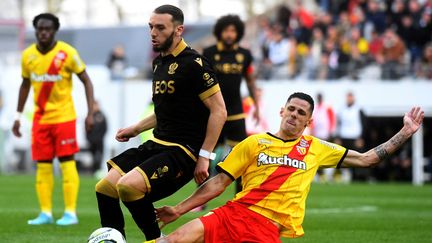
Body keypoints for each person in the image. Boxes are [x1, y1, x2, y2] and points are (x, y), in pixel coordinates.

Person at [152, 92, 424, 243]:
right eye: (291, 109)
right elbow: (218, 183)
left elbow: (368, 159)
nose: (294, 115)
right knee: (172, 241)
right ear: (282, 111)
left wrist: (405, 133)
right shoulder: (253, 143)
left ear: (308, 121)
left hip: (265, 229)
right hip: (232, 214)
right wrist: (177, 209)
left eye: (301, 113)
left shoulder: (317, 148)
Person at [94, 5, 226, 240]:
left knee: (128, 185)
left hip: (183, 151)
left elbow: (219, 111)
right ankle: (114, 239)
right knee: (104, 188)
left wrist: (205, 156)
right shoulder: (159, 64)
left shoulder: (195, 64)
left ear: (179, 30)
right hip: (158, 144)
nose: (153, 32)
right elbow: (166, 111)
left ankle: (156, 239)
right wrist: (136, 129)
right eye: (151, 27)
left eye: (160, 27)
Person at [12, 13, 95, 225]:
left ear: (54, 31)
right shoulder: (28, 55)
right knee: (43, 166)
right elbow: (24, 85)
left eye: (48, 29)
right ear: (36, 30)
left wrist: (90, 113)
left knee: (67, 164)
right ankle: (45, 213)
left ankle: (70, 213)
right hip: (40, 120)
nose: (44, 33)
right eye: (40, 29)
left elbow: (86, 80)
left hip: (64, 118)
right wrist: (18, 116)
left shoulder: (67, 53)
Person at [202, 14, 259, 194]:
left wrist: (256, 105)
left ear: (238, 33)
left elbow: (250, 81)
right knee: (207, 153)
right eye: (226, 30)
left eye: (233, 31)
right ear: (220, 32)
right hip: (214, 112)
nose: (229, 34)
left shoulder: (244, 55)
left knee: (242, 154)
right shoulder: (209, 53)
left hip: (236, 111)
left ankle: (239, 194)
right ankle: (201, 194)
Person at [86, 100, 107, 174]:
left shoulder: (102, 116)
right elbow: (86, 129)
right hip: (91, 141)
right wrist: (89, 139)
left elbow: (105, 128)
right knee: (93, 156)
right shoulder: (90, 116)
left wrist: (100, 137)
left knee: (99, 156)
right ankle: (93, 171)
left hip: (100, 141)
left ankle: (99, 170)